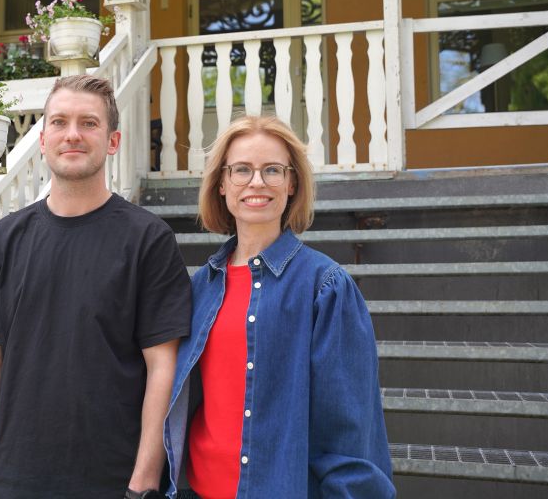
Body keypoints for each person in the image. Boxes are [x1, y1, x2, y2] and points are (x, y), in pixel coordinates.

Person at [0, 74, 191, 499]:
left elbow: (162, 368)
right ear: (43, 140)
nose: (73, 134)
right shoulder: (4, 239)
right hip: (10, 482)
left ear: (113, 141)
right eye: (59, 123)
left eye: (89, 123)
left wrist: (145, 481)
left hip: (112, 482)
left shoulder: (148, 239)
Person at [164, 116, 394, 499]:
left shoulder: (326, 288)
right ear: (221, 184)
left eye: (272, 169)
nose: (257, 182)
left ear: (291, 183)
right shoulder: (200, 286)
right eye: (242, 170)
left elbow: (350, 433)